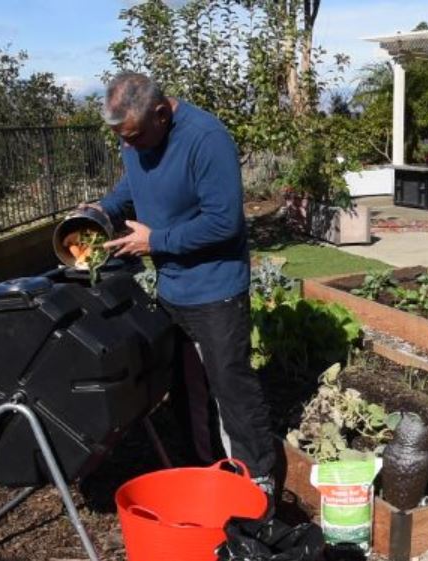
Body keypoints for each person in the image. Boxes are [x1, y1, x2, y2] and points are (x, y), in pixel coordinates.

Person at [90, 72, 276, 495]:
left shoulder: (206, 138)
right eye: (123, 139)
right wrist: (101, 210)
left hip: (216, 290)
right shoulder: (135, 136)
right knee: (184, 387)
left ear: (161, 113)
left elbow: (223, 223)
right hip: (172, 288)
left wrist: (154, 241)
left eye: (134, 136)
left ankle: (257, 482)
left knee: (230, 387)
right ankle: (205, 472)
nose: (129, 146)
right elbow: (131, 188)